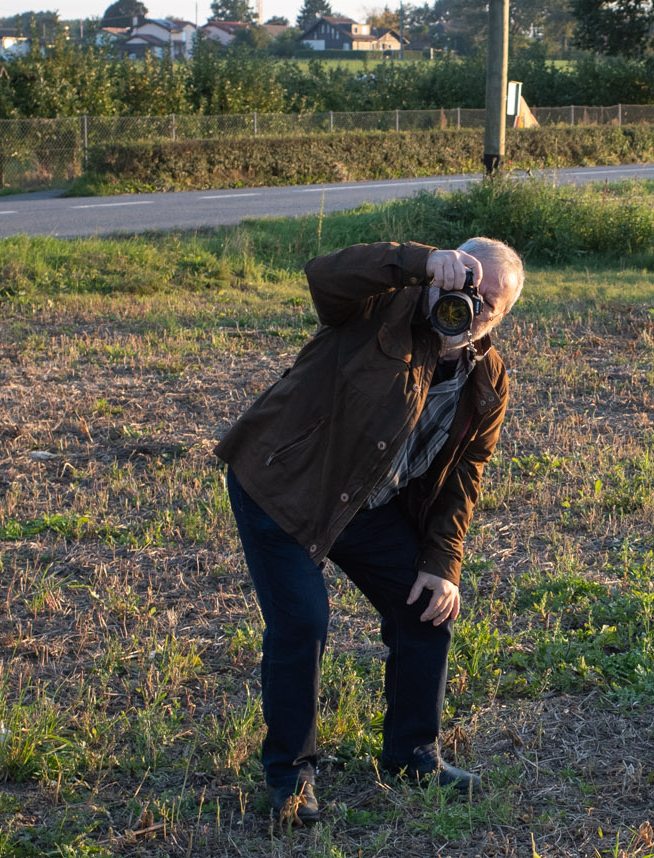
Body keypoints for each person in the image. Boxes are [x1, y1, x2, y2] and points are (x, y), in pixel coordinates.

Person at [215, 235, 523, 822]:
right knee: (303, 620)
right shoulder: (381, 307)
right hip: (285, 486)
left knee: (426, 607)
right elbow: (322, 272)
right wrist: (415, 263)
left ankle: (414, 756)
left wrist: (442, 564)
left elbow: (465, 478)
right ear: (443, 273)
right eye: (462, 284)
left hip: (366, 504)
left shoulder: (488, 382)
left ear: (501, 317)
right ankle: (291, 778)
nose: (468, 308)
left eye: (486, 303)